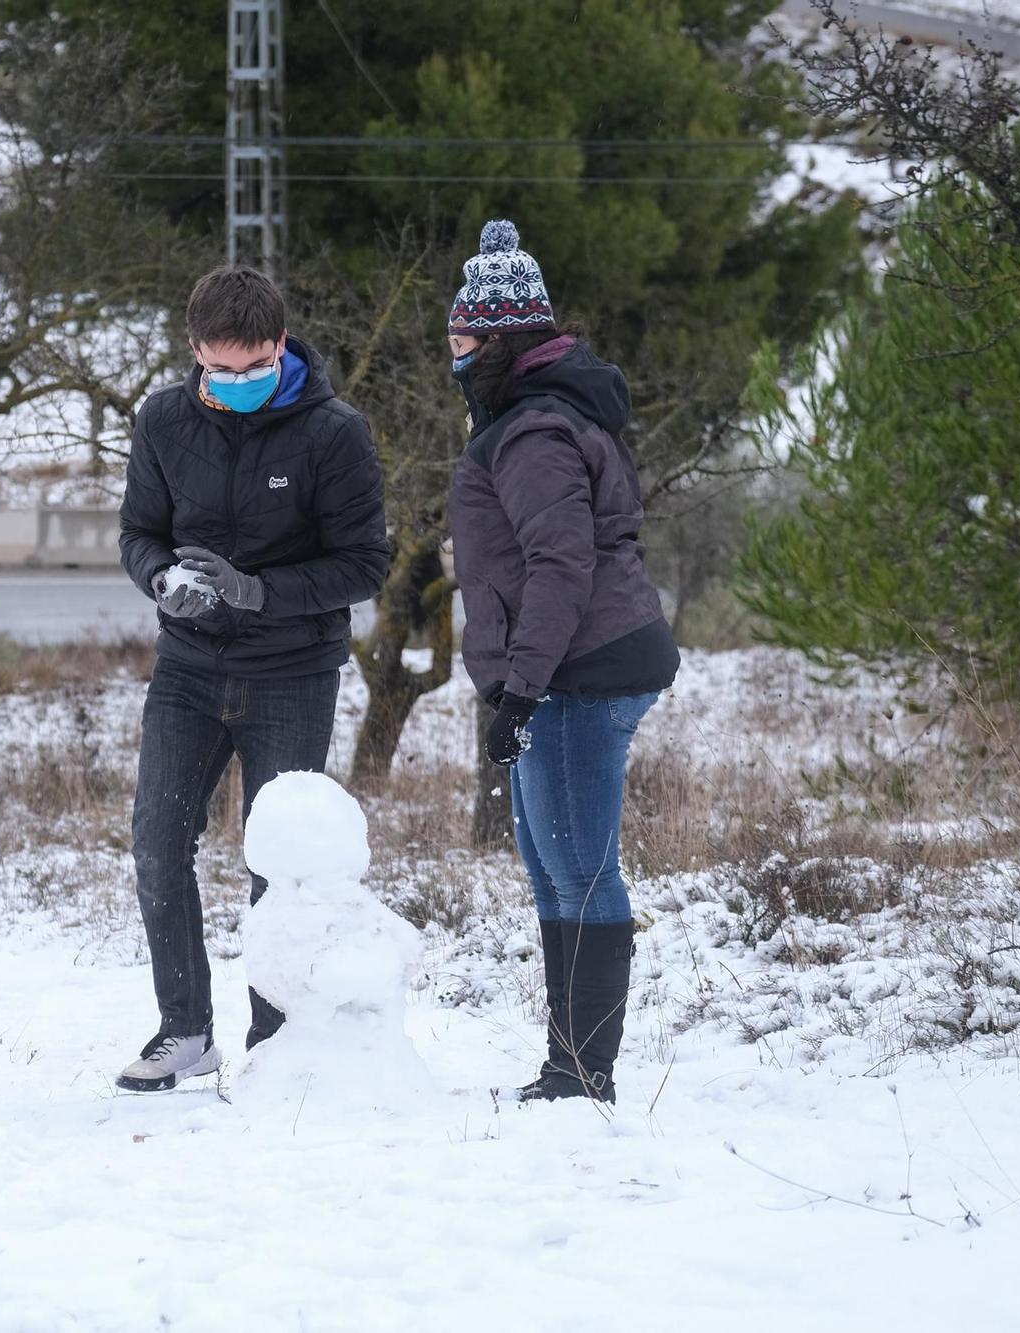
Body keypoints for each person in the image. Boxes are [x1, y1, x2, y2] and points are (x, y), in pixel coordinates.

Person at [114, 265, 390, 1092]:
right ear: (195, 350)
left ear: (279, 344)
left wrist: (259, 590)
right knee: (158, 844)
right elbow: (137, 531)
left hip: (292, 675)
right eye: (220, 368)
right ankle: (185, 1030)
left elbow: (365, 562)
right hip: (188, 669)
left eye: (252, 367)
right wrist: (163, 578)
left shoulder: (333, 432)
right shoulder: (162, 419)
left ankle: (275, 1041)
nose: (235, 382)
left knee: (279, 868)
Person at [445, 220, 680, 1104]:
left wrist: (522, 687)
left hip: (581, 675)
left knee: (581, 868)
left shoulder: (536, 431)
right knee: (555, 868)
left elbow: (559, 565)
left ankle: (584, 1075)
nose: (454, 355)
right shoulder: (534, 416)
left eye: (464, 340)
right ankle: (567, 1064)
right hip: (572, 670)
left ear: (501, 340)